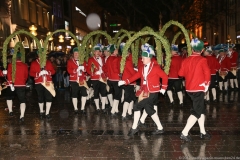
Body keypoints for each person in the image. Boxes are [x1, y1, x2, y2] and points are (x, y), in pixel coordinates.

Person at [118, 43, 168, 136]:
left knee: (137, 106)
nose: (141, 59)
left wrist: (163, 88)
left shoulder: (155, 67)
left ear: (149, 58)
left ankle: (134, 128)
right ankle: (160, 128)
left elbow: (165, 77)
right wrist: (125, 81)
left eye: (143, 58)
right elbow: (135, 76)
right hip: (145, 91)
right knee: (149, 109)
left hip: (152, 92)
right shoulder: (142, 67)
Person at [178, 38, 211, 142]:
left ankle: (203, 132)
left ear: (192, 48)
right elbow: (207, 73)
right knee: (197, 111)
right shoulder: (202, 60)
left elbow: (180, 74)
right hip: (198, 88)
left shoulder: (186, 60)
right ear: (201, 50)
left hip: (189, 89)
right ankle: (184, 132)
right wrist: (206, 85)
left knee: (200, 110)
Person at [29, 50, 56, 120]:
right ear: (38, 55)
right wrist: (38, 74)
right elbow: (31, 73)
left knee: (49, 97)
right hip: (39, 82)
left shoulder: (48, 62)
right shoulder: (34, 63)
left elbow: (53, 71)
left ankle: (47, 113)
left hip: (48, 82)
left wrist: (48, 72)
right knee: (40, 98)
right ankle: (41, 111)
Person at [5, 52, 28, 122]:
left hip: (12, 84)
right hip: (21, 84)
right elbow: (26, 76)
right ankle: (22, 116)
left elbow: (9, 74)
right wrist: (23, 81)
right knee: (22, 101)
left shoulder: (11, 65)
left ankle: (11, 111)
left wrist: (10, 83)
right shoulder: (24, 65)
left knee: (9, 98)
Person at [87, 44, 108, 113]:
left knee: (104, 92)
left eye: (99, 51)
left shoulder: (102, 58)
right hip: (95, 78)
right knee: (96, 92)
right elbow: (88, 70)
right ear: (94, 52)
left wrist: (103, 71)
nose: (98, 53)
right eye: (96, 51)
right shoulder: (91, 59)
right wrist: (93, 73)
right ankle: (98, 108)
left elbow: (105, 67)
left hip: (102, 77)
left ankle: (103, 107)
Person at [119, 43, 137, 120]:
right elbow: (132, 72)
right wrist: (136, 71)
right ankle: (124, 114)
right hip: (129, 81)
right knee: (128, 98)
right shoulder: (128, 61)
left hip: (124, 81)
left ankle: (129, 112)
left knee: (132, 97)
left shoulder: (121, 59)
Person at [67, 47, 87, 114]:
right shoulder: (70, 61)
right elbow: (69, 70)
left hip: (82, 80)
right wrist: (76, 70)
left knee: (84, 94)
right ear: (73, 54)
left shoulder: (83, 61)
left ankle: (82, 108)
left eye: (77, 53)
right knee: (74, 94)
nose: (76, 54)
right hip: (74, 80)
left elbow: (86, 70)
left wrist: (84, 69)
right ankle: (75, 108)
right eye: (75, 53)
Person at [105, 44, 122, 116]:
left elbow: (105, 68)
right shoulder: (116, 59)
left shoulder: (108, 58)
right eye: (117, 50)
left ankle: (116, 109)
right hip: (116, 78)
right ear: (114, 51)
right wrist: (120, 73)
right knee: (118, 95)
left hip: (110, 79)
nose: (117, 51)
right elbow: (117, 69)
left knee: (114, 93)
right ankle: (113, 110)